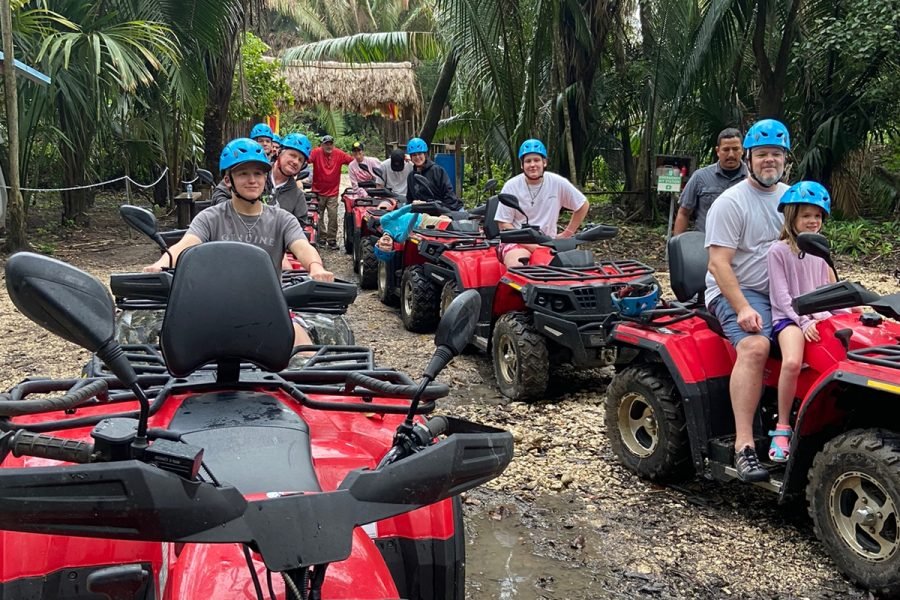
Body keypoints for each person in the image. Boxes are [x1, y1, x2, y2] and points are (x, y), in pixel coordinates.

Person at [143, 138, 333, 347]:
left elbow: (302, 246)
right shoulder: (210, 217)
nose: (252, 180)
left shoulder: (281, 219)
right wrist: (160, 264)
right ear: (228, 180)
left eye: (258, 174)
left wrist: (315, 267)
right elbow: (185, 245)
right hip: (213, 308)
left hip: (270, 308)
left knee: (306, 357)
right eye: (243, 173)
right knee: (165, 353)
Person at [704, 118, 791, 482]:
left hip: (782, 290)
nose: (769, 161)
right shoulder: (731, 202)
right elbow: (718, 263)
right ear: (749, 158)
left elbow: (809, 251)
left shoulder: (792, 197)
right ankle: (744, 446)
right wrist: (742, 307)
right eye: (762, 155)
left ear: (786, 158)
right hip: (735, 289)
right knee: (755, 346)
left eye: (776, 154)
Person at [765, 181, 856, 462]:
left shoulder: (820, 251)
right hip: (788, 318)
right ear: (792, 217)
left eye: (817, 216)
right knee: (792, 361)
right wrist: (803, 322)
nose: (813, 221)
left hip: (818, 315)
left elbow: (828, 291)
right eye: (806, 216)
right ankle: (782, 427)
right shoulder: (777, 251)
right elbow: (782, 297)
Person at [494, 138, 589, 268]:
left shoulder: (557, 182)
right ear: (522, 165)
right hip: (516, 241)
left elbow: (582, 204)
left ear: (544, 162)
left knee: (577, 266)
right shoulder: (511, 186)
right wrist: (530, 245)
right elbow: (503, 224)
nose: (532, 164)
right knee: (518, 265)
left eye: (536, 160)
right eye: (528, 161)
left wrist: (568, 233)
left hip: (548, 242)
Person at [673, 128, 747, 235]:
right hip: (705, 245)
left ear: (742, 150)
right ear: (717, 151)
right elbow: (684, 213)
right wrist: (677, 248)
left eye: (735, 149)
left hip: (741, 247)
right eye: (726, 150)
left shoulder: (751, 178)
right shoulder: (700, 177)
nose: (731, 154)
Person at [308, 135, 353, 249]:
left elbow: (352, 162)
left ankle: (332, 239)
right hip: (317, 191)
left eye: (330, 143)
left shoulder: (339, 153)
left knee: (333, 216)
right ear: (322, 145)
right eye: (326, 144)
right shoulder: (316, 152)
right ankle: (321, 238)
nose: (329, 146)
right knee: (319, 215)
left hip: (333, 192)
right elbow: (306, 159)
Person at [405, 137, 462, 211]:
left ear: (425, 154)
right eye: (414, 155)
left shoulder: (437, 171)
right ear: (411, 157)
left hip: (446, 209)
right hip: (425, 212)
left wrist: (427, 204)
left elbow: (449, 196)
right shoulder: (411, 177)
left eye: (419, 154)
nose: (417, 157)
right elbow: (409, 200)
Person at [266, 132, 311, 223]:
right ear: (279, 153)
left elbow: (299, 228)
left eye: (300, 160)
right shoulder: (257, 177)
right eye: (292, 155)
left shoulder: (297, 197)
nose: (295, 162)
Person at [374, 201, 451, 253]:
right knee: (447, 224)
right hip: (422, 224)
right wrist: (416, 212)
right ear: (392, 245)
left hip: (419, 213)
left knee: (446, 218)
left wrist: (413, 206)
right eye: (388, 245)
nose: (386, 242)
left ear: (378, 242)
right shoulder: (399, 238)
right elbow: (409, 228)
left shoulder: (384, 220)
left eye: (383, 244)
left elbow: (400, 212)